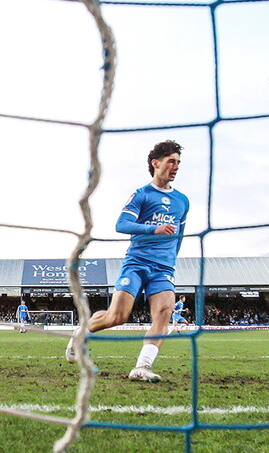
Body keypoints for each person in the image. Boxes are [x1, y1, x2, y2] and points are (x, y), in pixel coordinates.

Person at [66, 140, 189, 383]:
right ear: (156, 163)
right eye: (171, 161)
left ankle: (142, 367)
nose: (175, 167)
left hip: (164, 268)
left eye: (178, 163)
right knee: (117, 316)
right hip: (137, 262)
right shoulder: (142, 195)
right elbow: (121, 225)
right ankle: (80, 333)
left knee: (164, 313)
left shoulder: (182, 201)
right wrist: (154, 229)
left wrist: (172, 260)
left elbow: (179, 235)